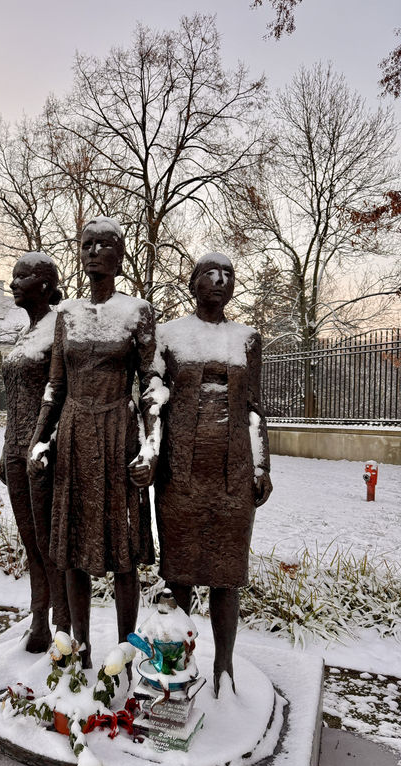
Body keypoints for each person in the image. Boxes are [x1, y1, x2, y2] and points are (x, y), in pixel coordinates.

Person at [27, 217, 162, 668]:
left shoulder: (137, 311)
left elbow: (151, 385)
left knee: (122, 551)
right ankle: (79, 648)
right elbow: (54, 386)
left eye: (105, 244)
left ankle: (127, 650)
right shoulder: (66, 316)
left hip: (117, 434)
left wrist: (150, 447)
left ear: (120, 257)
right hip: (72, 435)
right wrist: (39, 441)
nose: (94, 252)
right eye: (87, 244)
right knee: (72, 550)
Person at [154, 252, 272, 697]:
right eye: (210, 274)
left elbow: (255, 409)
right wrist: (148, 453)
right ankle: (177, 663)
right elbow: (155, 401)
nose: (220, 281)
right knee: (179, 573)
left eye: (228, 275)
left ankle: (224, 668)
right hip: (180, 476)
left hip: (233, 476)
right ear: (193, 283)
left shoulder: (247, 339)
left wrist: (261, 465)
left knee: (227, 573)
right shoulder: (170, 337)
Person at [0, 252, 70, 652]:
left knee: (49, 541)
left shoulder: (60, 328)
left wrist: (46, 442)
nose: (12, 284)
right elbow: (16, 401)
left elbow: (62, 394)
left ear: (43, 285)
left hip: (43, 451)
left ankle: (61, 623)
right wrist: (3, 451)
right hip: (14, 448)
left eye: (20, 277)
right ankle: (38, 616)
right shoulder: (26, 334)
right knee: (30, 542)